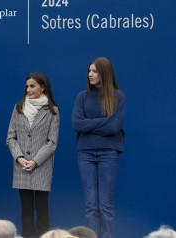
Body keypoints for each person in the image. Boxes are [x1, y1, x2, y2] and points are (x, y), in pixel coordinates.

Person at [72, 57, 125, 238]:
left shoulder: (117, 96)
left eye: (94, 71)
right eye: (89, 71)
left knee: (105, 204)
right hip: (85, 153)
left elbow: (114, 127)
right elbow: (77, 125)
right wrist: (103, 122)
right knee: (90, 205)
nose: (90, 75)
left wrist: (90, 125)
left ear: (105, 73)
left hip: (109, 153)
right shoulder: (82, 97)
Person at [6, 72, 60, 238]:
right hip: (22, 166)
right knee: (26, 211)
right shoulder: (18, 108)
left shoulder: (53, 111)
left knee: (42, 210)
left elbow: (52, 142)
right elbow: (10, 137)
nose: (28, 89)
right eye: (27, 86)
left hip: (42, 167)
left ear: (43, 88)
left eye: (32, 86)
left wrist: (36, 161)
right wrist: (20, 158)